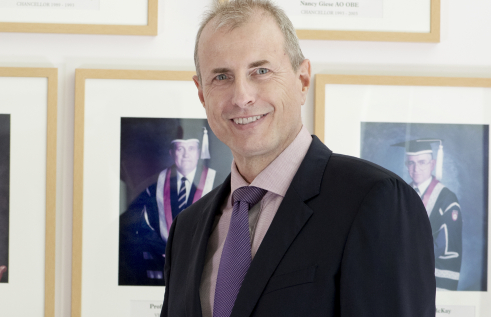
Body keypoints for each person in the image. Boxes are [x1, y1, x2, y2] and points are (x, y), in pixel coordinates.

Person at [161, 0, 435, 316]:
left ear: (302, 80)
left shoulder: (376, 201)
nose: (242, 97)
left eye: (260, 71)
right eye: (221, 77)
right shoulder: (187, 228)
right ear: (201, 94)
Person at [119, 134, 216, 286]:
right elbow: (137, 223)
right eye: (180, 149)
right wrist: (163, 249)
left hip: (205, 270)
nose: (186, 155)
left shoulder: (218, 182)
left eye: (191, 148)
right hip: (162, 267)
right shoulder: (153, 186)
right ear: (171, 153)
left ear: (199, 153)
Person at [394, 138, 462, 291]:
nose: (416, 168)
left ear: (432, 164)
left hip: (436, 278)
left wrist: (406, 255)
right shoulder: (402, 194)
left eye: (422, 162)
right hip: (406, 277)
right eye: (411, 162)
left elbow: (445, 245)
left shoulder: (447, 199)